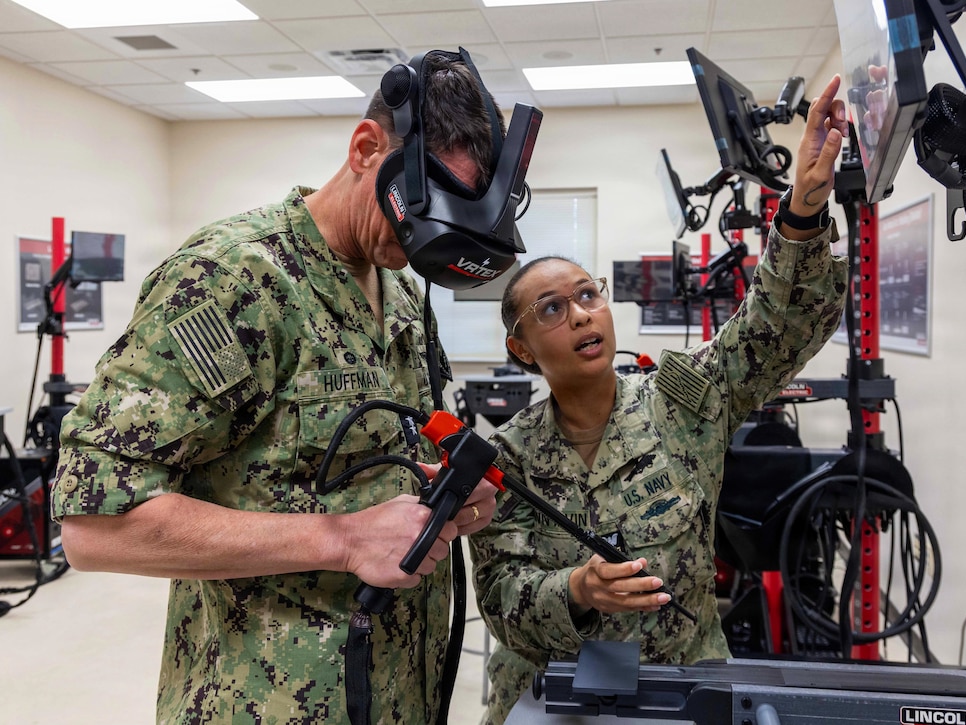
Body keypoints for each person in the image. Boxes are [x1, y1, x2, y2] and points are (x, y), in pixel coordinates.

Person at [50, 51, 500, 725]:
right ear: (365, 148)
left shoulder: (405, 294)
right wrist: (342, 538)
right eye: (424, 207)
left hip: (398, 694)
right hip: (264, 702)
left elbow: (405, 444)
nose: (424, 240)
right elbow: (94, 526)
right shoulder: (232, 280)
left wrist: (447, 491)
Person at [469, 75, 851, 724]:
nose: (582, 316)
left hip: (681, 690)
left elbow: (774, 328)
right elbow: (505, 601)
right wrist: (579, 588)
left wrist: (803, 210)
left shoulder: (681, 398)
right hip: (553, 697)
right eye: (553, 309)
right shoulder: (507, 457)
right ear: (522, 349)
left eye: (588, 295)